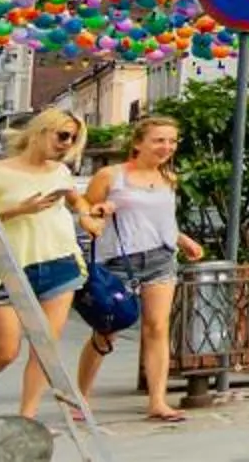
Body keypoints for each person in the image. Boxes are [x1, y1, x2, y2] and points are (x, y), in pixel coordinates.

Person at [75, 113, 205, 425]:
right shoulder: (111, 176)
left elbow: (161, 222)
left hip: (160, 259)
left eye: (172, 141)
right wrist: (99, 212)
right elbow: (85, 213)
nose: (167, 147)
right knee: (107, 331)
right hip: (118, 261)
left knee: (157, 329)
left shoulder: (168, 178)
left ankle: (158, 402)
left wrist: (183, 240)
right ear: (138, 143)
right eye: (159, 140)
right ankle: (79, 398)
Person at [0, 109, 101, 425]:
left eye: (73, 138)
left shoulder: (60, 171)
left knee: (45, 348)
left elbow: (77, 201)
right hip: (4, 270)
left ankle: (27, 418)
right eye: (62, 135)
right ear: (40, 131)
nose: (67, 143)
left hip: (58, 263)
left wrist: (86, 214)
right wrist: (20, 209)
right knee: (5, 350)